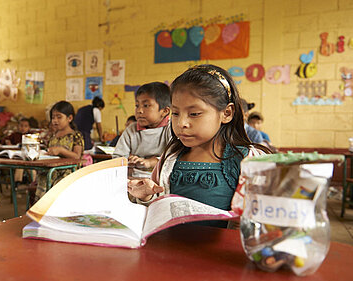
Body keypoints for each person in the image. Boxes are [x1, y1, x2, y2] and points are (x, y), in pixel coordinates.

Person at [127, 64, 269, 228]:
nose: (181, 123)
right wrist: (145, 196)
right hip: (171, 249)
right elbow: (156, 212)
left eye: (194, 114)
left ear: (227, 113)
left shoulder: (246, 161)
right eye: (175, 113)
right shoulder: (170, 158)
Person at [113, 82, 172, 178]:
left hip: (162, 180)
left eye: (146, 105)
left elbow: (174, 157)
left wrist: (151, 162)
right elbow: (117, 157)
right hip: (133, 180)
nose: (139, 110)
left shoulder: (171, 128)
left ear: (165, 111)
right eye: (137, 105)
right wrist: (127, 161)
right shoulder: (131, 129)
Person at [34, 101, 83, 202]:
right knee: (43, 177)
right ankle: (41, 212)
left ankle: (49, 211)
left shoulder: (76, 136)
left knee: (52, 182)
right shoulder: (53, 136)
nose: (55, 121)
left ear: (69, 118)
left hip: (68, 173)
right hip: (51, 170)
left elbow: (77, 157)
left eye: (59, 117)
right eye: (53, 117)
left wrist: (61, 150)